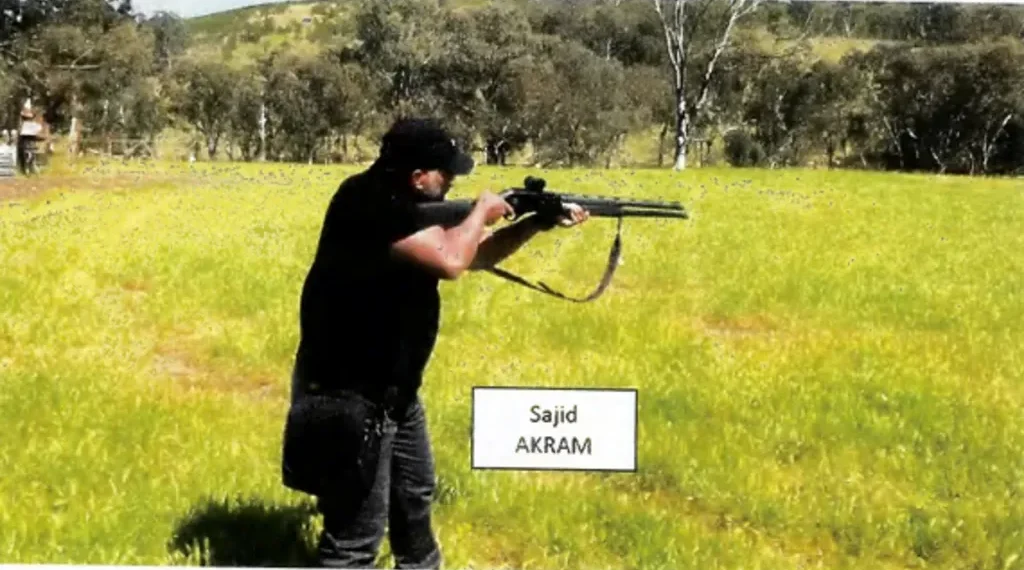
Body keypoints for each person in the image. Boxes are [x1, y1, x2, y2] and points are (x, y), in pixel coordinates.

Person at [281, 117, 588, 569]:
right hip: (350, 395)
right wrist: (481, 212)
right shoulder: (368, 204)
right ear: (417, 175)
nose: (451, 183)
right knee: (355, 539)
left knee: (414, 497)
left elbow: (476, 253)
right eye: (445, 174)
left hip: (395, 391)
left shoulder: (406, 204)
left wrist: (533, 224)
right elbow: (451, 262)